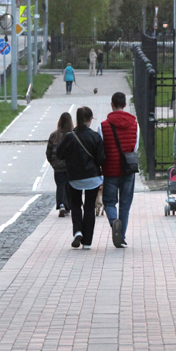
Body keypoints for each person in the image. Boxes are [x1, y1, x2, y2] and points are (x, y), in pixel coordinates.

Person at [57, 107, 106, 249]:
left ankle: (77, 231)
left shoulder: (70, 137)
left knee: (76, 204)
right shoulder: (95, 136)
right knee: (89, 206)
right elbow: (101, 159)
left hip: (74, 177)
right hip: (92, 177)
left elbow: (60, 154)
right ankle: (87, 241)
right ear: (90, 119)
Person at [98, 92, 139, 248]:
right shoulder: (135, 124)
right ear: (125, 104)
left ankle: (113, 221)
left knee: (109, 201)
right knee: (125, 203)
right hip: (128, 169)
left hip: (110, 169)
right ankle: (121, 236)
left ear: (111, 104)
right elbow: (135, 147)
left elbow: (100, 148)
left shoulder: (103, 125)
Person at [46, 112, 74, 218]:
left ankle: (61, 204)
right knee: (69, 186)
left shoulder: (54, 135)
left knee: (60, 185)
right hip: (69, 166)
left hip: (57, 167)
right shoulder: (72, 134)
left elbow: (48, 152)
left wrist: (52, 163)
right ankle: (68, 207)